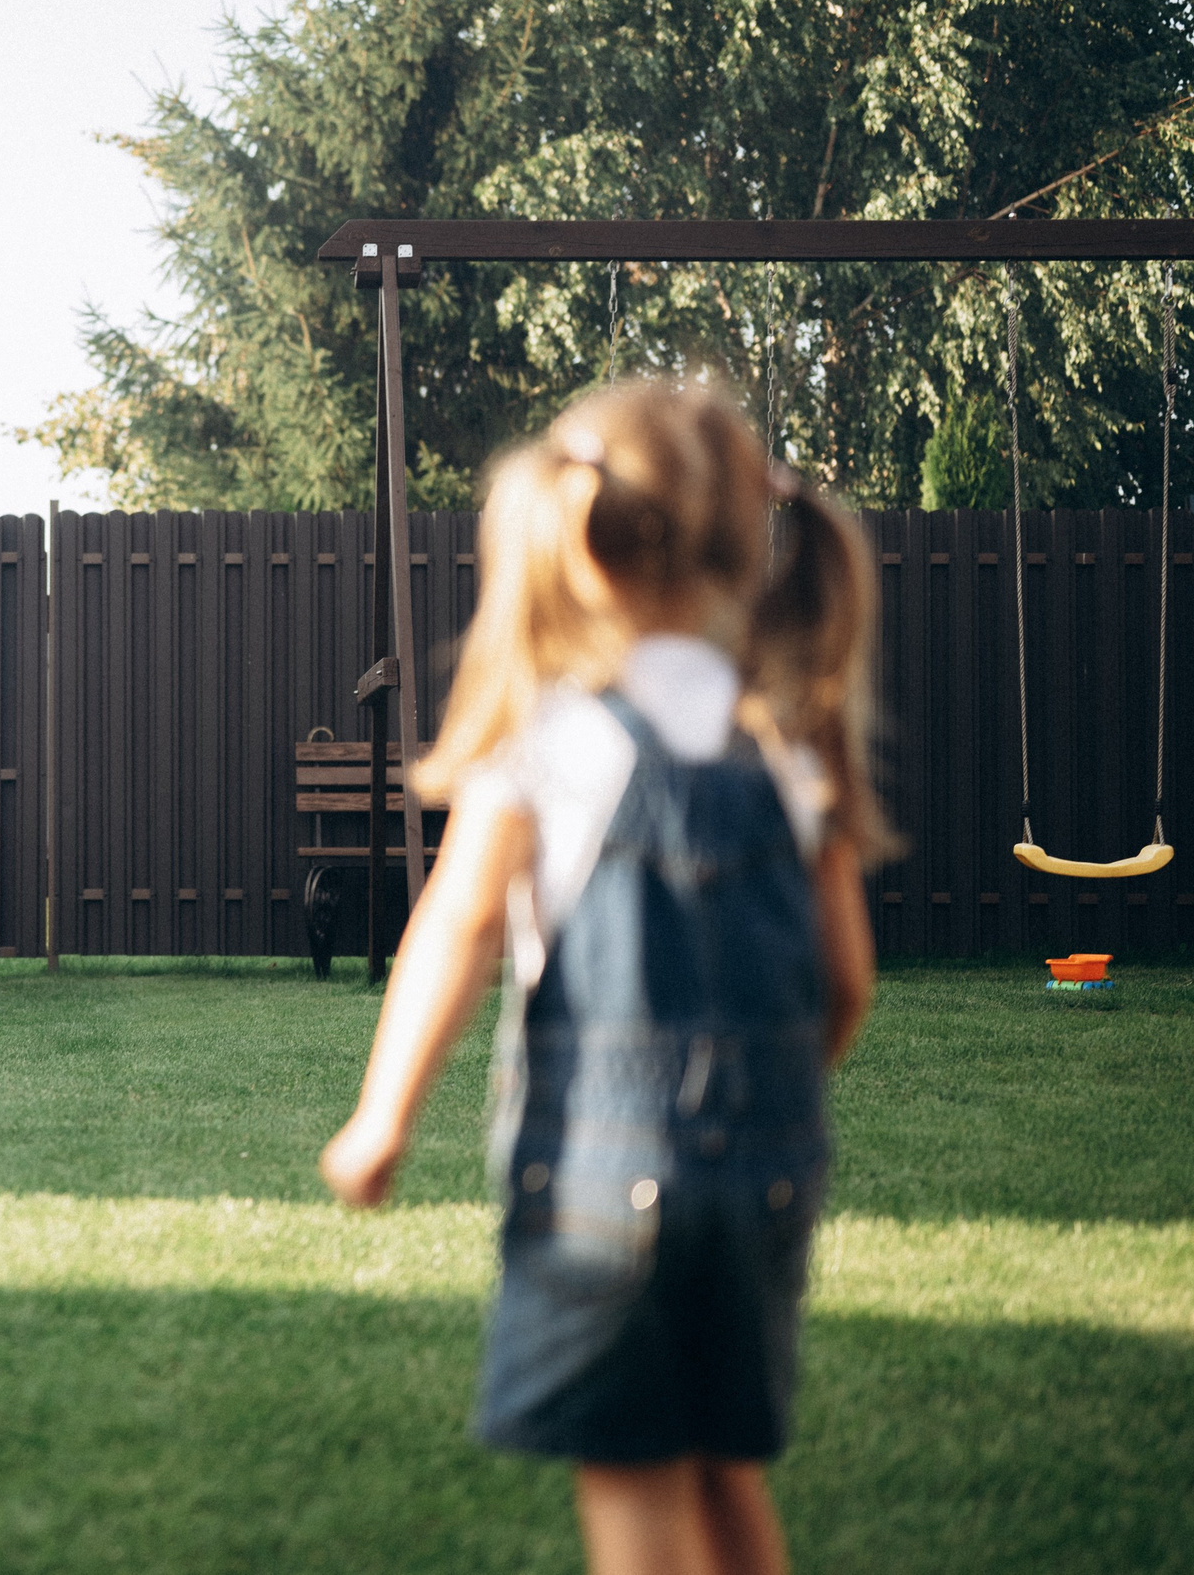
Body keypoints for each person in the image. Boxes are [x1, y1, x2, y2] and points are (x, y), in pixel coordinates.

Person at [319, 383, 886, 1575]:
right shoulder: (792, 732)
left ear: (574, 543)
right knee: (725, 1470)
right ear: (743, 541)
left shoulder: (549, 739)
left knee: (635, 1506)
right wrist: (756, 1106)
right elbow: (844, 983)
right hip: (769, 1187)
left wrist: (380, 1119)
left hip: (603, 1190)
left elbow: (456, 929)